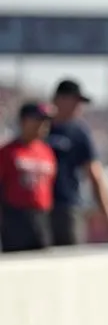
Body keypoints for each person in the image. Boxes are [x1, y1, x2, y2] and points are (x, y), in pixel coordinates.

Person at [47, 79, 108, 245]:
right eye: (75, 102)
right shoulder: (40, 126)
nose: (79, 108)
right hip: (35, 210)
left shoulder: (78, 133)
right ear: (59, 99)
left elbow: (95, 176)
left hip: (66, 207)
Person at [0, 102, 58, 252]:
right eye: (38, 120)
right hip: (15, 218)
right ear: (24, 121)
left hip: (42, 218)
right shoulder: (8, 151)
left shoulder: (47, 153)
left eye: (46, 121)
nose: (43, 125)